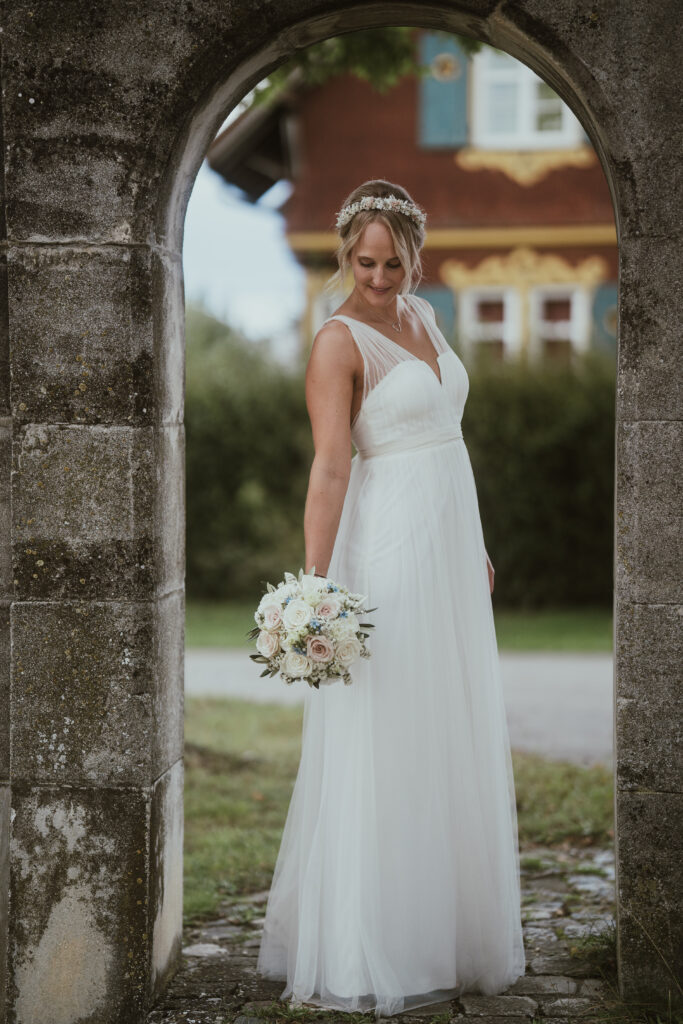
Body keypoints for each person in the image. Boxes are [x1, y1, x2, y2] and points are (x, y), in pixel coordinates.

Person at [256, 179, 526, 1016]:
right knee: (393, 723)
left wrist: (473, 545)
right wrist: (314, 585)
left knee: (447, 722)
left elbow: (447, 437)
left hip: (447, 544)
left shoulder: (427, 318)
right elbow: (332, 465)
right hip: (389, 548)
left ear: (416, 255)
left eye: (394, 262)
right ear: (347, 257)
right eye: (365, 262)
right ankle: (372, 937)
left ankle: (441, 927)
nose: (379, 277)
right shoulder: (337, 343)